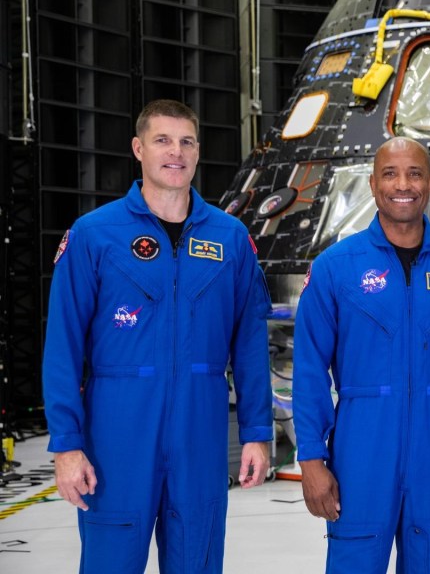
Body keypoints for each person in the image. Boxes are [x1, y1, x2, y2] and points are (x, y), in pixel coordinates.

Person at [43, 99, 273, 573]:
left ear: (198, 151)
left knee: (198, 560)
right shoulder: (94, 235)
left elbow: (250, 346)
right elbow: (63, 345)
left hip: (201, 432)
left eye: (187, 141)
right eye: (162, 140)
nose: (176, 152)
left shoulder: (231, 239)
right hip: (116, 435)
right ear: (138, 149)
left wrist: (256, 433)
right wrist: (66, 444)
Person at [292, 136, 430, 573]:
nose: (402, 184)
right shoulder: (335, 267)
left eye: (414, 173)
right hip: (360, 451)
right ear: (373, 184)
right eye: (390, 173)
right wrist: (311, 458)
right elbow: (309, 370)